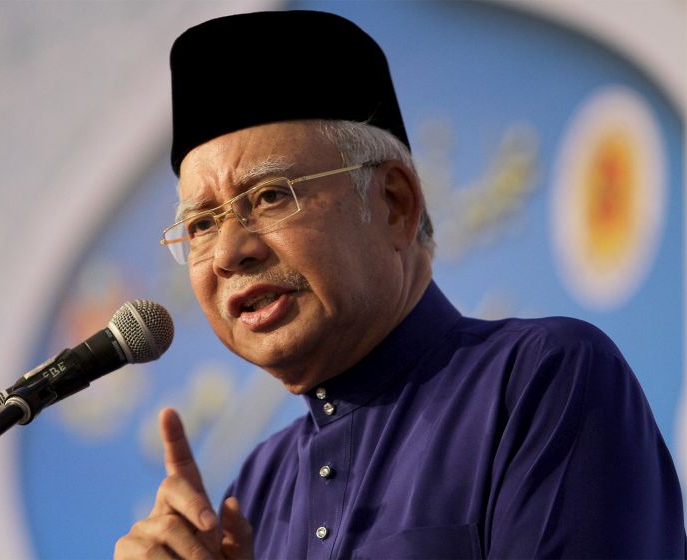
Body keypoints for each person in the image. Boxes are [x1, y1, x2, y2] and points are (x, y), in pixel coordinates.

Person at [115, 10, 685, 559]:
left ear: (394, 203)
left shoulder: (540, 379)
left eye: (269, 197)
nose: (230, 252)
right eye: (201, 225)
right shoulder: (255, 493)